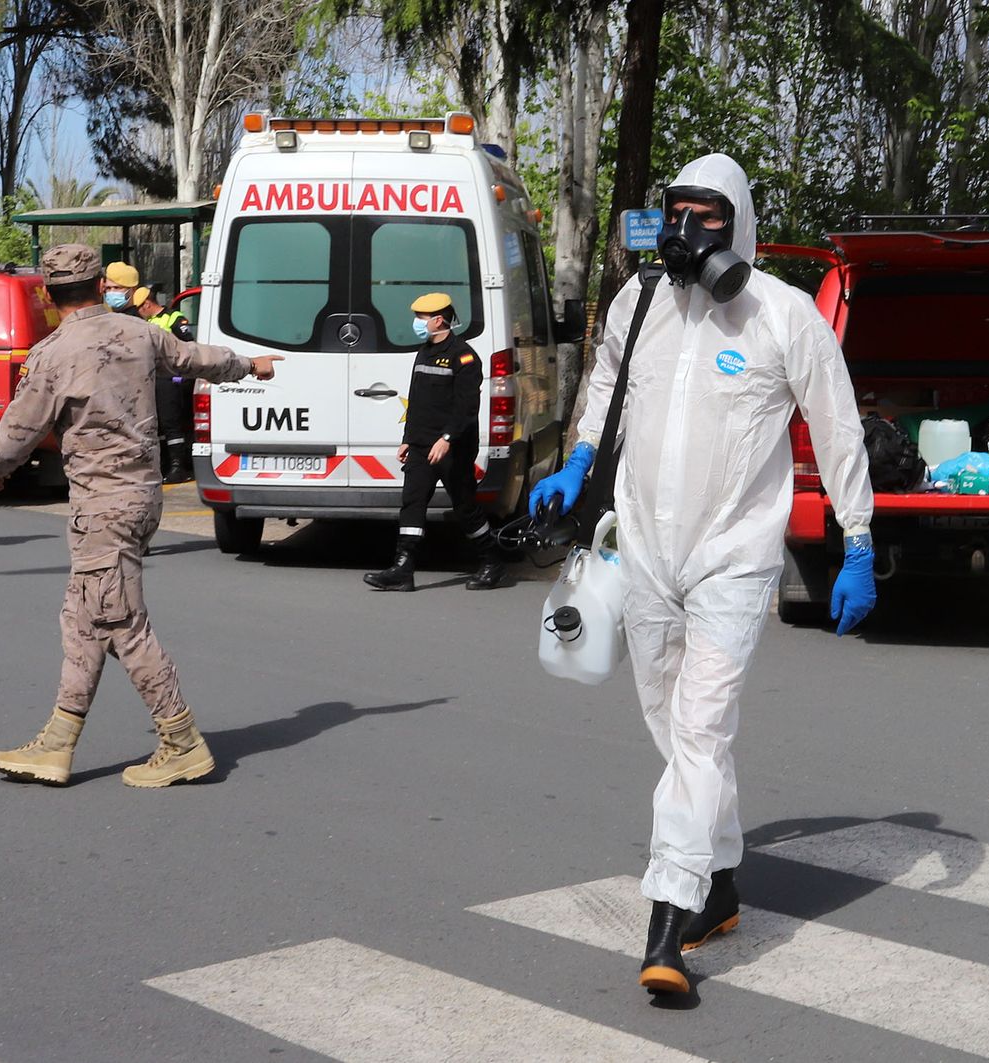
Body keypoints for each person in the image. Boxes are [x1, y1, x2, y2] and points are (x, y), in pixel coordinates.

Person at [529, 154, 876, 995]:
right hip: (646, 549)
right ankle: (719, 882)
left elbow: (837, 427)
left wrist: (858, 536)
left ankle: (667, 923)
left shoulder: (783, 316)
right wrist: (578, 458)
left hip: (733, 559)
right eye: (677, 209)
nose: (688, 228)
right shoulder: (639, 300)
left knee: (701, 726)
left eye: (707, 213)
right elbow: (608, 382)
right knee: (673, 726)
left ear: (739, 223)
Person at [0, 244, 281, 788]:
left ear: (48, 294)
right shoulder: (139, 332)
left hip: (102, 508)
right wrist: (248, 365)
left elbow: (18, 432)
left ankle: (181, 740)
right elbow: (193, 358)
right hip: (142, 498)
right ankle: (57, 742)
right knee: (83, 619)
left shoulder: (52, 354)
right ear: (100, 286)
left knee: (121, 622)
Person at [364, 292, 504, 592]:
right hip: (421, 444)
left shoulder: (464, 356)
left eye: (421, 318)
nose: (417, 323)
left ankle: (491, 560)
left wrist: (447, 439)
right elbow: (417, 401)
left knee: (465, 507)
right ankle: (403, 569)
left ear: (439, 320)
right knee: (412, 503)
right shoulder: (424, 352)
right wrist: (408, 439)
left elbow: (467, 407)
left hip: (453, 447)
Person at [132, 286, 197, 484]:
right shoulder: (148, 322)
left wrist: (182, 378)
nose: (138, 312)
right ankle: (165, 465)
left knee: (171, 423)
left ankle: (179, 466)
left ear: (146, 304)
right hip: (154, 379)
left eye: (139, 308)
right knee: (158, 424)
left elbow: (189, 346)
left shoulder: (173, 318)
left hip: (171, 380)